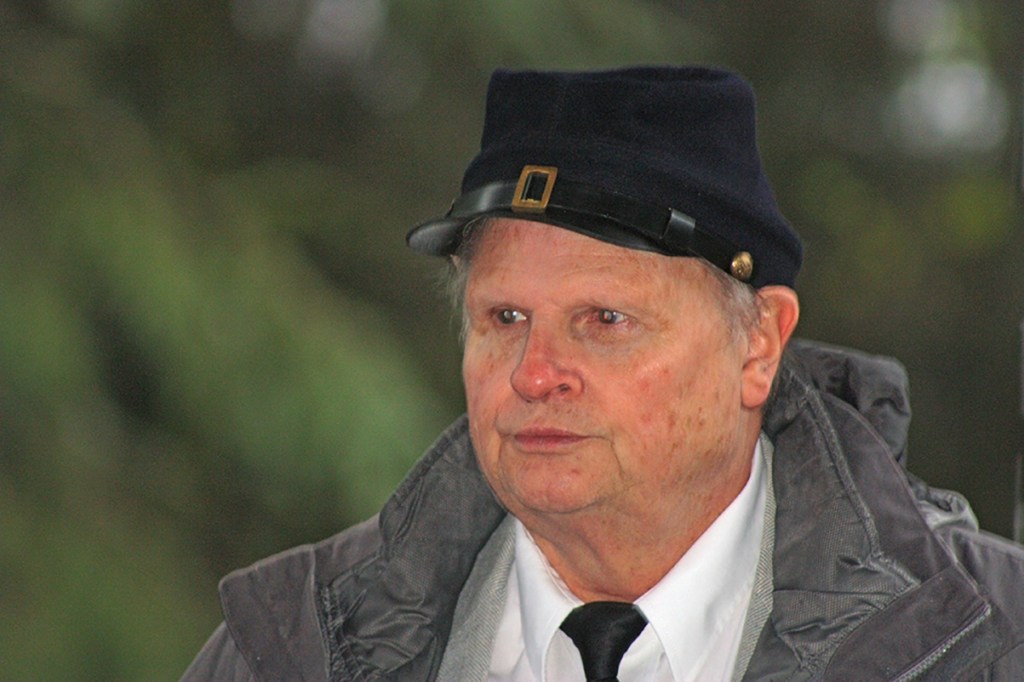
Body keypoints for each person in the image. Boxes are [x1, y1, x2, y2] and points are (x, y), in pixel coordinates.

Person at [182, 66, 1024, 681]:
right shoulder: (296, 647)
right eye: (505, 319)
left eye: (606, 321)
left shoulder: (986, 639)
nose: (536, 374)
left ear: (759, 344)